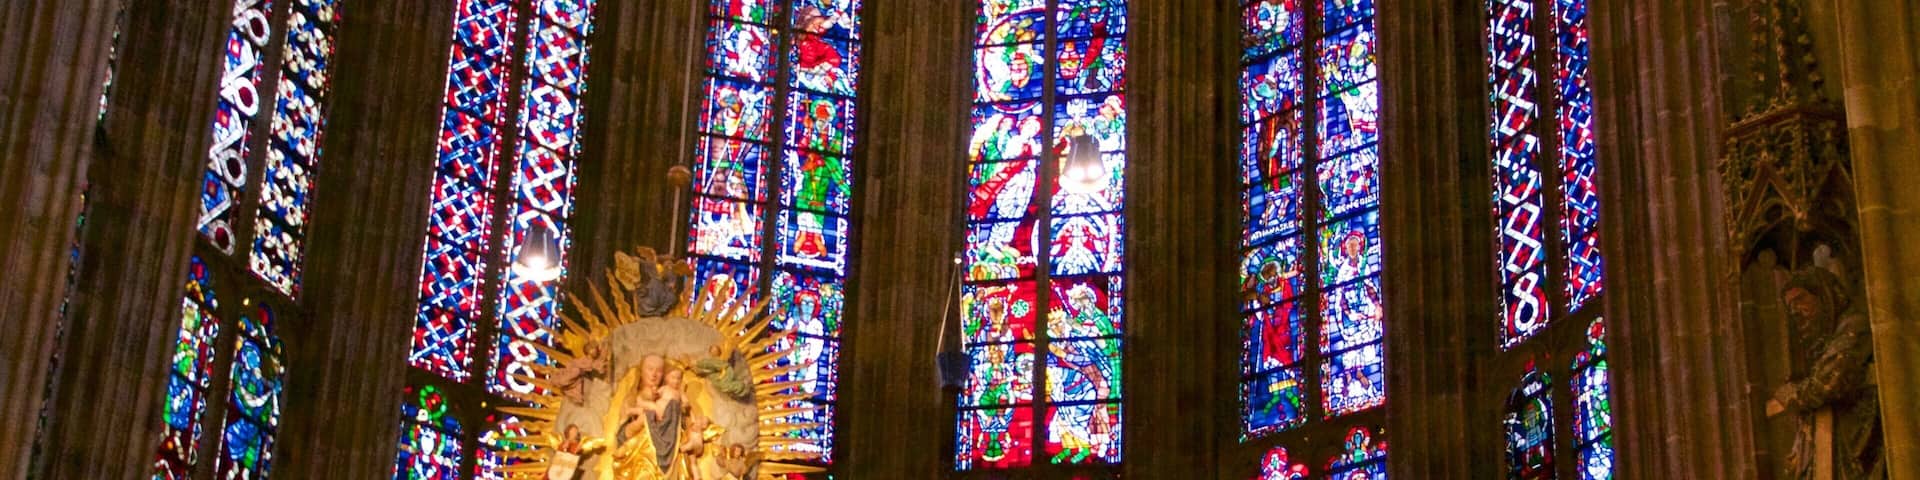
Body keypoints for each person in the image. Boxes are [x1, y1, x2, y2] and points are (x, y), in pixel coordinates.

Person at [1766, 268, 1883, 479]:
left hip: (1860, 449)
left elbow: (1826, 385)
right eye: (1790, 307)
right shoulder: (1828, 345)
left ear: (1825, 295)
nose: (1795, 312)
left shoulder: (1855, 326)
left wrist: (1792, 394)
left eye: (1800, 299)